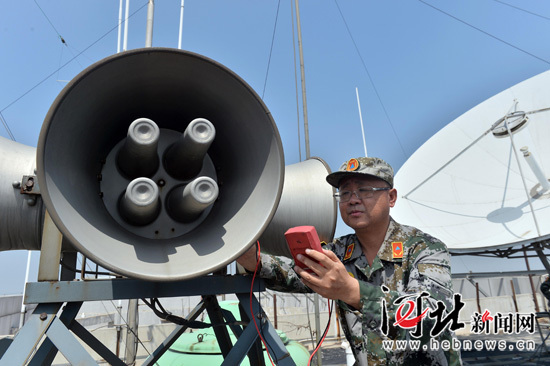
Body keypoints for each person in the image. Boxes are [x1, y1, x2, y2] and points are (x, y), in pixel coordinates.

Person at [237, 157, 462, 366]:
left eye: (364, 190)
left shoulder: (424, 248)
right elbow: (296, 273)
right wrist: (253, 260)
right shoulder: (339, 251)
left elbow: (430, 315)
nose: (353, 200)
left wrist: (353, 292)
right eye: (344, 193)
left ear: (391, 197)